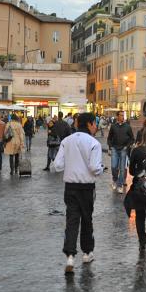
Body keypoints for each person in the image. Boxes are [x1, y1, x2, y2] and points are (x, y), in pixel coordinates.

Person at [54, 113, 103, 274]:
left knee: (72, 220)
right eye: (95, 124)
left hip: (70, 187)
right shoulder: (94, 143)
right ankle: (87, 253)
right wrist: (101, 169)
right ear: (89, 124)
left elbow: (58, 165)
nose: (96, 126)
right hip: (86, 188)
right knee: (87, 220)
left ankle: (70, 256)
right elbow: (95, 167)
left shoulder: (66, 141)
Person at [128, 126, 146, 255]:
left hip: (139, 187)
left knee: (140, 215)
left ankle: (142, 240)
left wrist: (139, 173)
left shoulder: (136, 150)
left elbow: (130, 171)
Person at [107, 110, 134, 193]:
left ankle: (120, 185)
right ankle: (115, 179)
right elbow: (109, 138)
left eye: (123, 115)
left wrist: (127, 146)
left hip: (123, 149)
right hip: (115, 148)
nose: (123, 117)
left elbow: (132, 139)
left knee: (122, 169)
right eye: (121, 115)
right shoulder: (113, 126)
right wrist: (110, 146)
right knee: (114, 166)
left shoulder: (127, 127)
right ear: (117, 116)